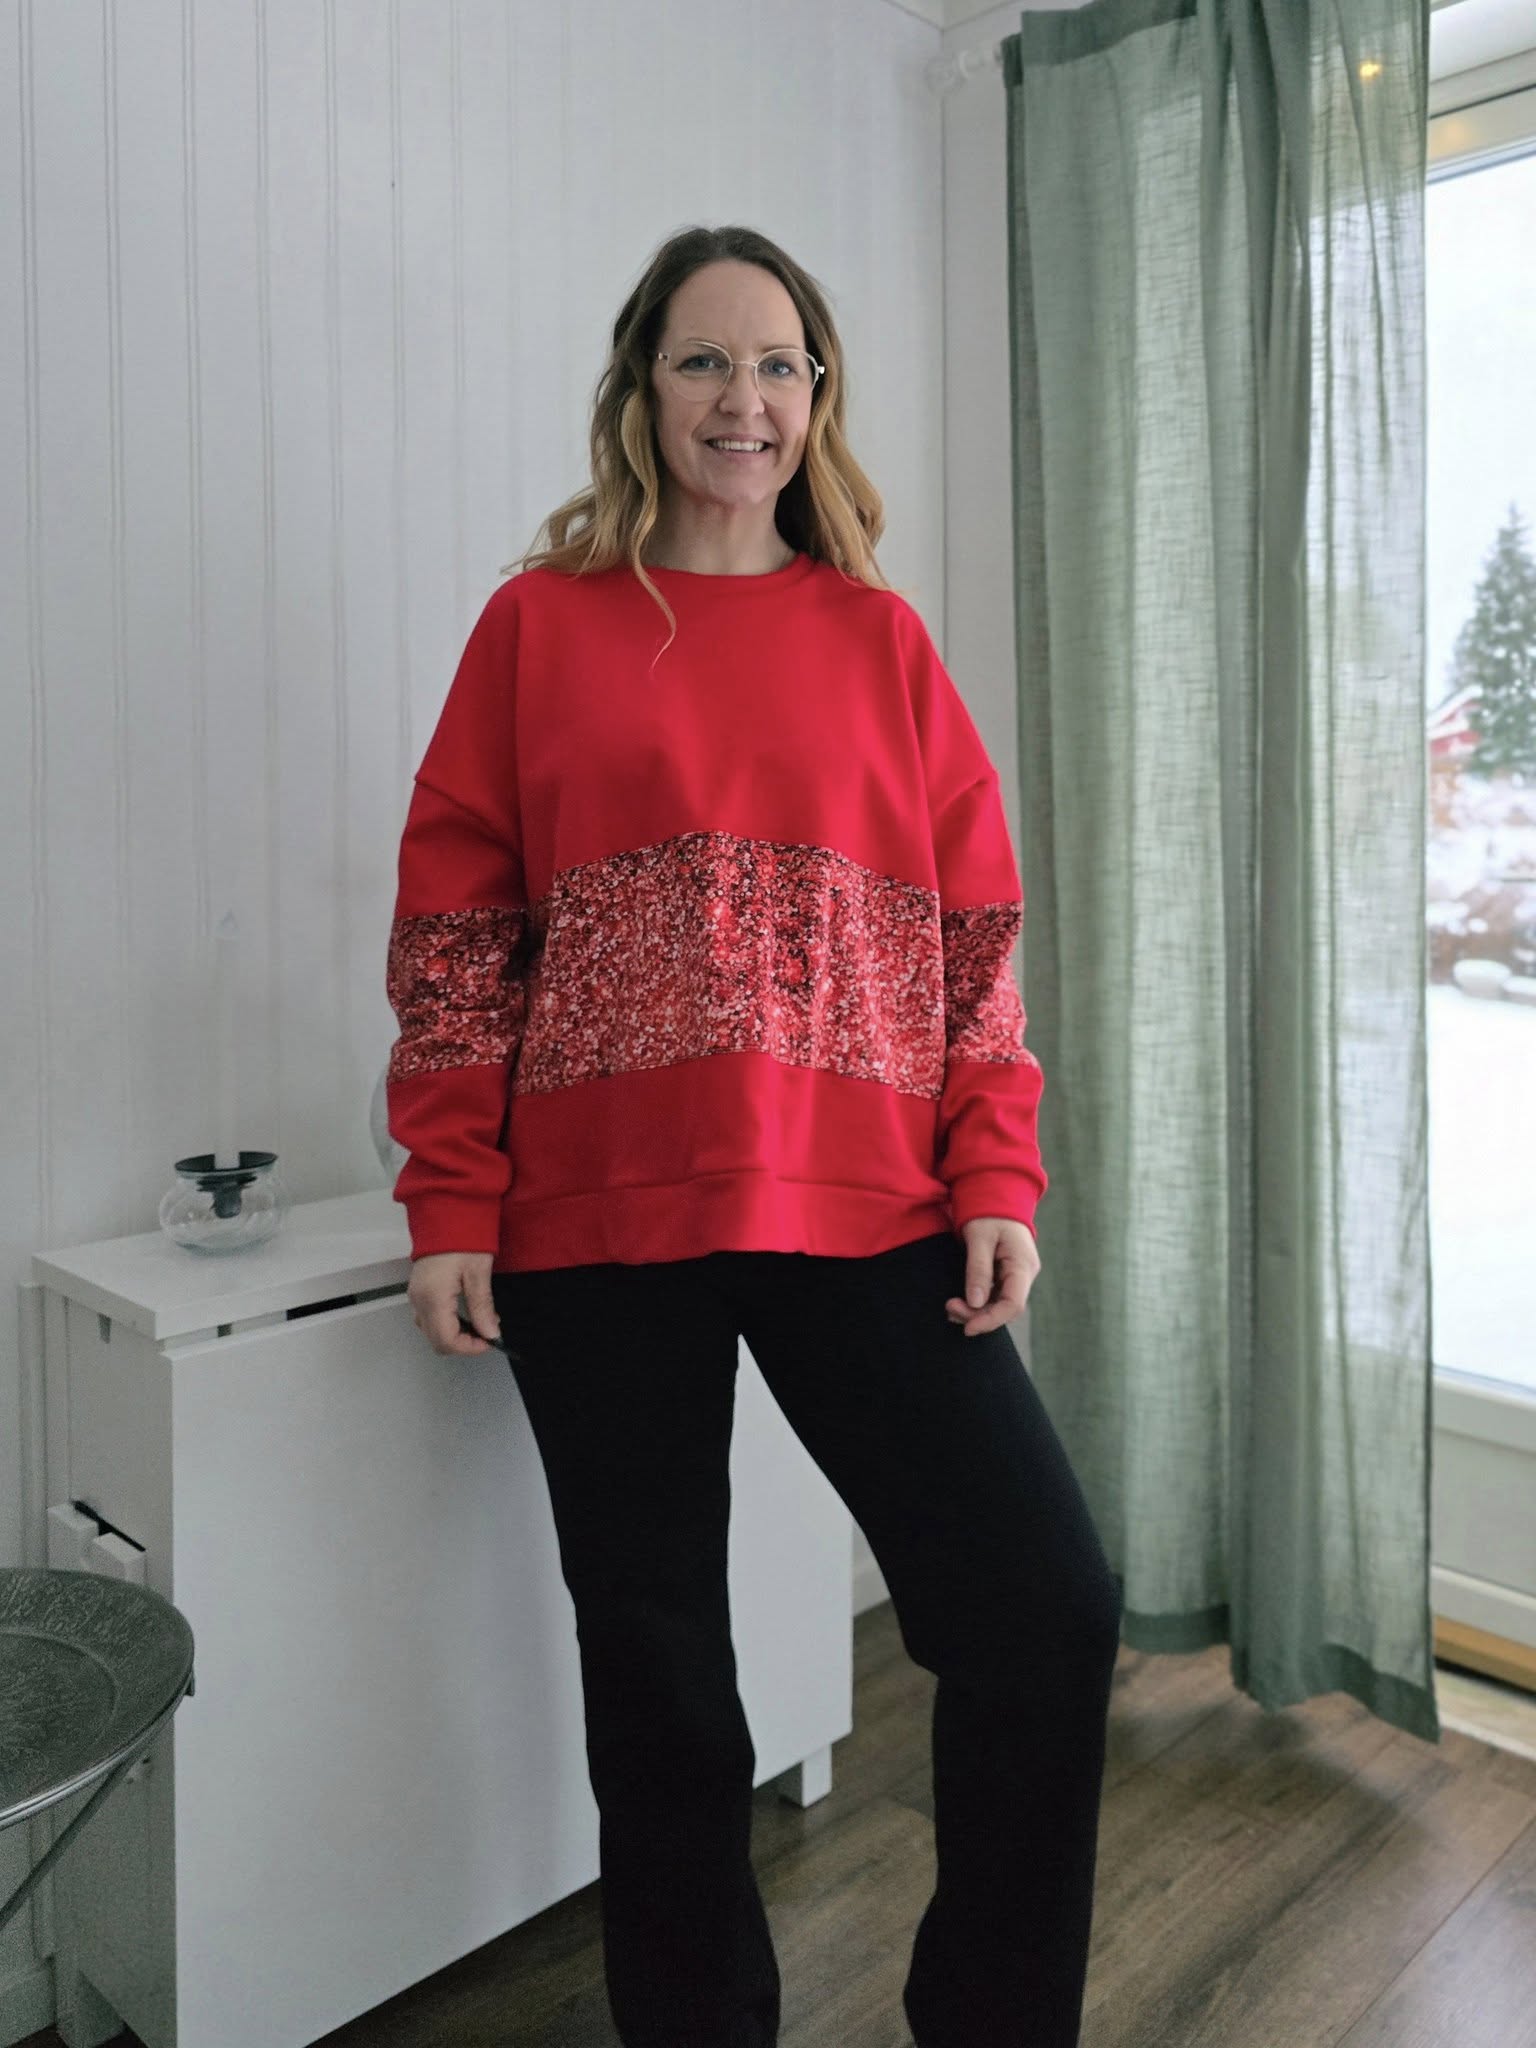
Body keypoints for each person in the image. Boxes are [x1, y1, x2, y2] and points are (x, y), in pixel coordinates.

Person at [383, 223, 1122, 2048]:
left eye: (780, 363)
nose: (746, 399)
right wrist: (451, 1192)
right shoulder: (538, 628)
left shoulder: (880, 640)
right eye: (705, 360)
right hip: (591, 1225)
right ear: (643, 388)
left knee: (1042, 1608)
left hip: (863, 1203)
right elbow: (458, 932)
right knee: (664, 1696)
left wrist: (996, 1167)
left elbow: (975, 938)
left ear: (819, 397)